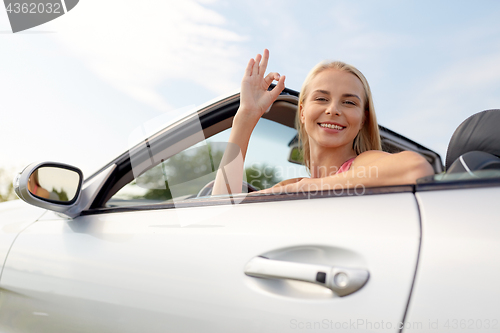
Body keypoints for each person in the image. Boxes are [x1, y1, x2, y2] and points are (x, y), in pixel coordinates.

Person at [212, 49, 434, 196]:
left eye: (348, 102)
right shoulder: (293, 186)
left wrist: (311, 187)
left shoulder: (362, 164)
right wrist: (246, 117)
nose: (333, 110)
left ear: (363, 118)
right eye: (321, 98)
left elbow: (417, 168)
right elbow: (223, 206)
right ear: (302, 112)